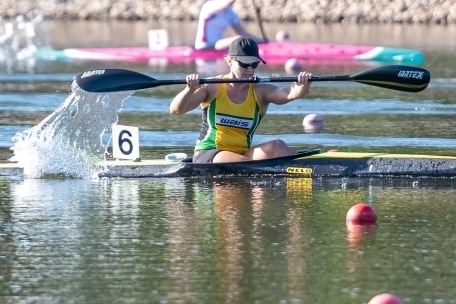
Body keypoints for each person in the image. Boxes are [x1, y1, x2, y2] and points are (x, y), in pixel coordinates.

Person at [170, 37, 312, 164]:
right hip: (209, 153)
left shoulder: (261, 91)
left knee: (277, 146)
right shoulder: (212, 86)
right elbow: (175, 110)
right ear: (229, 60)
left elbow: (289, 94)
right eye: (244, 64)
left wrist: (302, 85)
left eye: (254, 64)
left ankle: (307, 166)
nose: (250, 69)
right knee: (248, 165)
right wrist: (189, 89)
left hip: (242, 155)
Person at [194, 0, 263, 50]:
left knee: (243, 38)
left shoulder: (230, 13)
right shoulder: (209, 6)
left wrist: (261, 41)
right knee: (240, 39)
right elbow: (226, 3)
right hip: (204, 45)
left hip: (218, 44)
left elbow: (243, 33)